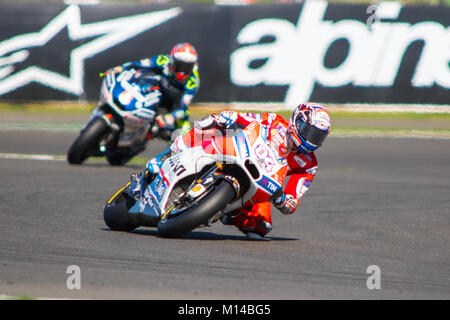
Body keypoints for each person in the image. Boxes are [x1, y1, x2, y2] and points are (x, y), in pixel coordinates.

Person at [131, 103, 332, 240]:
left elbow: (293, 200)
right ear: (298, 122)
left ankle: (229, 212)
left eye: (319, 137)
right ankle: (166, 156)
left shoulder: (308, 164)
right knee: (211, 124)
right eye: (312, 132)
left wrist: (284, 200)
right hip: (236, 151)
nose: (313, 140)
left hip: (260, 183)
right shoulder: (274, 121)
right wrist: (228, 117)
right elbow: (245, 118)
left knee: (261, 228)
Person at [105, 42, 199, 139]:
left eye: (187, 67)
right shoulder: (163, 61)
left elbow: (184, 107)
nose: (182, 71)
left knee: (184, 131)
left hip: (173, 104)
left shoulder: (192, 82)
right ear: (173, 61)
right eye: (180, 65)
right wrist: (120, 68)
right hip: (154, 93)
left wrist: (171, 116)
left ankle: (175, 151)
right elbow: (139, 64)